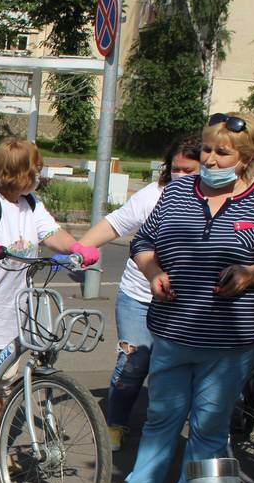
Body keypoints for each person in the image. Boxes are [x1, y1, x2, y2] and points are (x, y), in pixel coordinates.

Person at [99, 112, 254, 483]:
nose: (211, 160)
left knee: (208, 426)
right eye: (208, 150)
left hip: (231, 338)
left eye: (222, 152)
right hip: (173, 329)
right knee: (161, 416)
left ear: (246, 156)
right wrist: (153, 271)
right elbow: (143, 241)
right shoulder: (178, 191)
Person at [0, 137, 99, 451]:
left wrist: (76, 247)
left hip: (12, 317)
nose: (38, 174)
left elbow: (51, 233)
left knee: (3, 387)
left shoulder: (31, 203)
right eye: (34, 169)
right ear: (19, 172)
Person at [76, 134, 203, 452]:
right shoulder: (154, 196)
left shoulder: (213, 200)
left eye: (190, 171)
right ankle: (116, 423)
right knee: (134, 362)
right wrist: (77, 250)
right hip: (139, 296)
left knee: (178, 370)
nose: (182, 177)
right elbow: (114, 224)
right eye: (177, 169)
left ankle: (166, 431)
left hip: (184, 303)